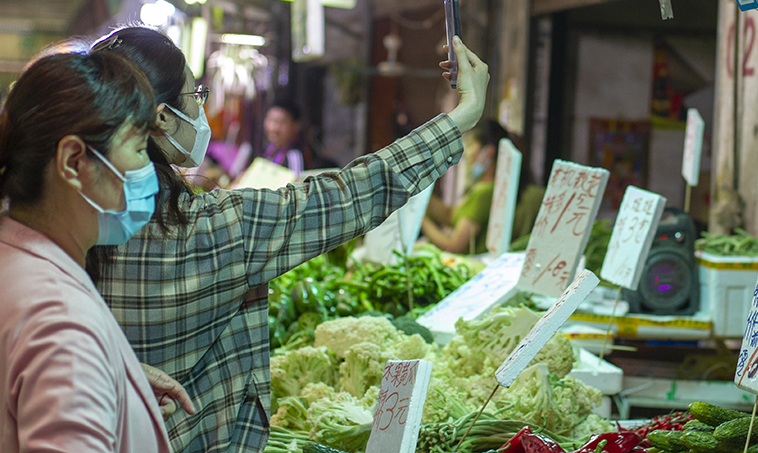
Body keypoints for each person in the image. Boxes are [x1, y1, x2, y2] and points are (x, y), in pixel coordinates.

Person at [88, 26, 488, 453]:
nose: (201, 110)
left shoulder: (69, 222)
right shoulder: (215, 231)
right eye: (195, 97)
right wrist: (462, 116)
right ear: (162, 117)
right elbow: (350, 194)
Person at [0, 49, 192, 452]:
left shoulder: (14, 256)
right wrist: (83, 363)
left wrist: (117, 377)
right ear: (73, 161)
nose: (147, 171)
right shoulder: (61, 325)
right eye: (139, 149)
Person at [422, 120, 545, 254]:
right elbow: (452, 216)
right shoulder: (481, 188)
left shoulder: (486, 193)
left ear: (488, 152)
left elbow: (453, 246)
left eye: (470, 145)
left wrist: (421, 220)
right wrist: (420, 199)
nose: (466, 154)